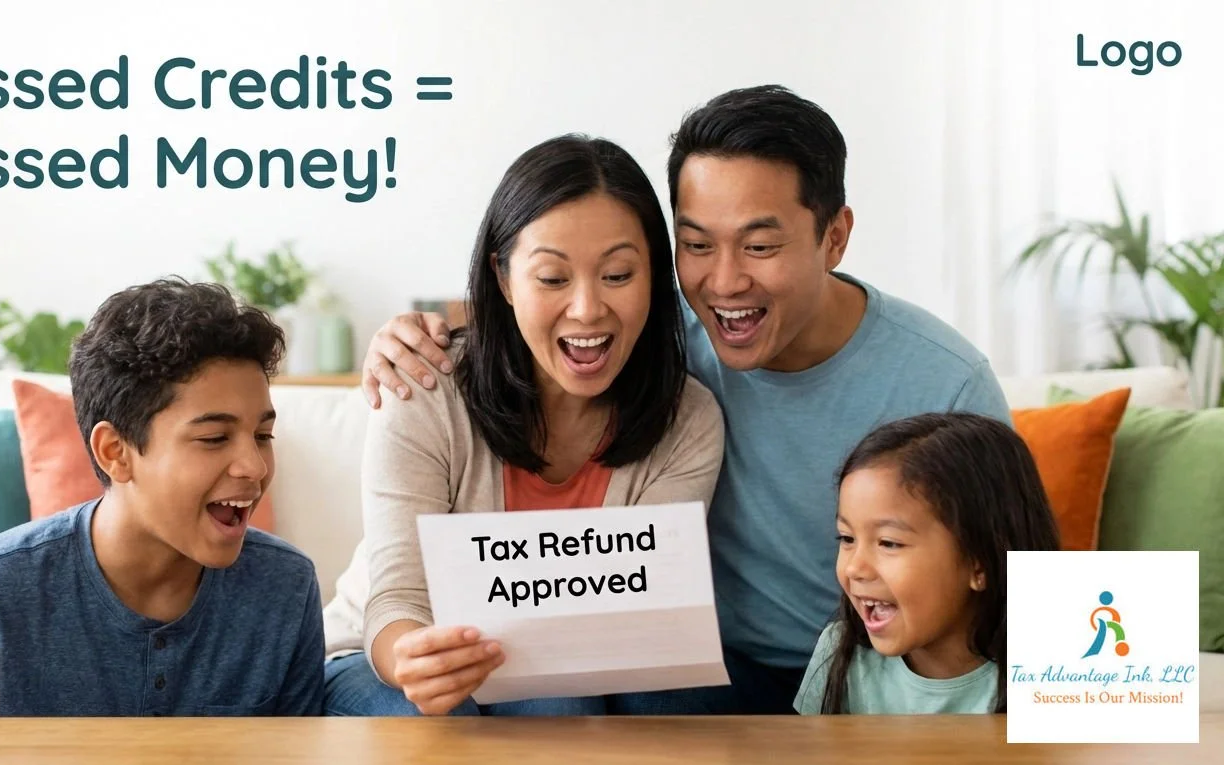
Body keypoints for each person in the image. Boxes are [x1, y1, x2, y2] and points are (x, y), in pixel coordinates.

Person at [355, 85, 1011, 714]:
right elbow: (547, 311)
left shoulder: (946, 382)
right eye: (696, 245)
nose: (724, 282)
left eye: (759, 245)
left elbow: (1015, 590)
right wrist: (409, 338)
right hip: (711, 671)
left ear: (834, 237)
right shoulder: (647, 340)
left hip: (879, 674)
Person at [320, 134, 725, 717]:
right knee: (442, 720)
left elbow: (638, 616)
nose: (587, 309)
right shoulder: (425, 389)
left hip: (557, 669)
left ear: (655, 277)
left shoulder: (687, 419)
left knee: (563, 705)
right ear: (505, 280)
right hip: (377, 657)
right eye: (553, 279)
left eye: (617, 275)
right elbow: (399, 595)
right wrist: (415, 657)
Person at [0, 279, 326, 724]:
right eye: (214, 438)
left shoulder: (285, 587)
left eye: (263, 436)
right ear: (115, 453)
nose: (254, 466)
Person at [794, 412, 1060, 714]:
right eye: (846, 538)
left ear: (980, 564)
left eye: (888, 543)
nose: (855, 567)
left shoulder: (1063, 658)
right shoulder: (840, 651)